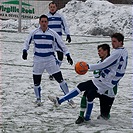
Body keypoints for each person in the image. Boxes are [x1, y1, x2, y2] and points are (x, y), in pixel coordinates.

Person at [48, 33, 128, 123]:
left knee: (104, 117)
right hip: (106, 82)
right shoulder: (124, 51)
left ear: (121, 42)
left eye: (114, 41)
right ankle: (84, 117)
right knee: (86, 91)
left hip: (107, 84)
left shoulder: (116, 53)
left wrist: (87, 66)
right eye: (112, 41)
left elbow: (103, 65)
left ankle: (60, 102)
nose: (112, 43)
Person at [22, 14, 75, 107]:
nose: (44, 23)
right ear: (39, 22)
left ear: (48, 23)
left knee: (60, 79)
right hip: (38, 60)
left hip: (50, 60)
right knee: (36, 81)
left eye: (45, 22)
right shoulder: (34, 33)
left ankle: (69, 99)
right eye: (42, 21)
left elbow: (62, 44)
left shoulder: (52, 33)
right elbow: (27, 42)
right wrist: (25, 51)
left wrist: (68, 55)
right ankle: (38, 100)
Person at [75, 44, 117, 124]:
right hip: (99, 87)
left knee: (104, 117)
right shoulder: (99, 63)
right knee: (87, 93)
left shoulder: (113, 63)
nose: (98, 53)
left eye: (100, 51)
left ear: (106, 51)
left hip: (108, 92)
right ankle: (82, 117)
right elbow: (96, 75)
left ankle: (105, 113)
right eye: (98, 51)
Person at [47, 1, 71, 80]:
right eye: (51, 7)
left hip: (58, 40)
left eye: (54, 7)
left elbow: (65, 26)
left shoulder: (60, 16)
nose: (52, 8)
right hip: (49, 40)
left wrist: (68, 34)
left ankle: (55, 71)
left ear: (56, 8)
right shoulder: (46, 17)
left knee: (60, 56)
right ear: (49, 8)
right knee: (50, 58)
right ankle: (52, 73)